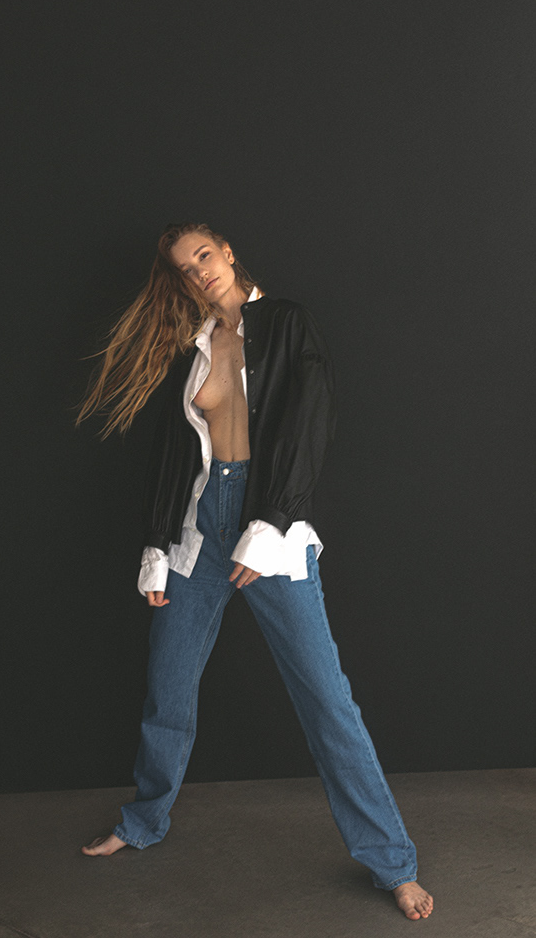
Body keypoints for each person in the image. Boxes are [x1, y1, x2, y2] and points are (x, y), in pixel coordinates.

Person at [75, 222, 433, 921]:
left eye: (204, 256)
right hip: (198, 529)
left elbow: (309, 422)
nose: (199, 271)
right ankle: (144, 820)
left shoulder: (288, 322)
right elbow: (175, 456)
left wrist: (270, 523)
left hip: (269, 521)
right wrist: (157, 546)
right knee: (167, 689)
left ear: (229, 252)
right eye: (185, 268)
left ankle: (393, 863)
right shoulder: (192, 347)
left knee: (326, 700)